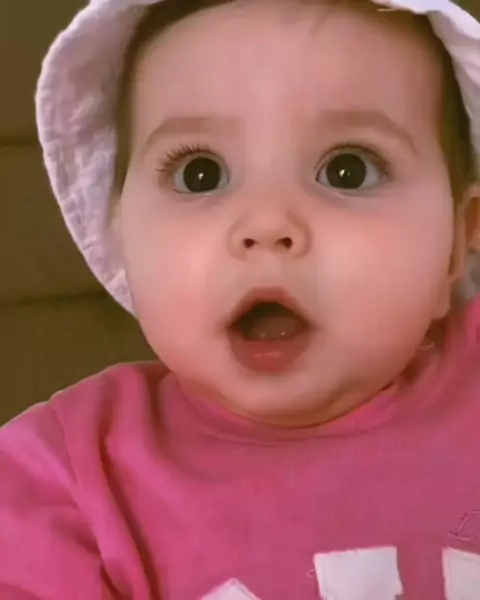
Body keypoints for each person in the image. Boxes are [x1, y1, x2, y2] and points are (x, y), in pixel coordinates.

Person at [1, 0, 480, 597]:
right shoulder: (63, 481)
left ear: (457, 244)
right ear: (120, 235)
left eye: (349, 170)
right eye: (199, 173)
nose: (267, 223)